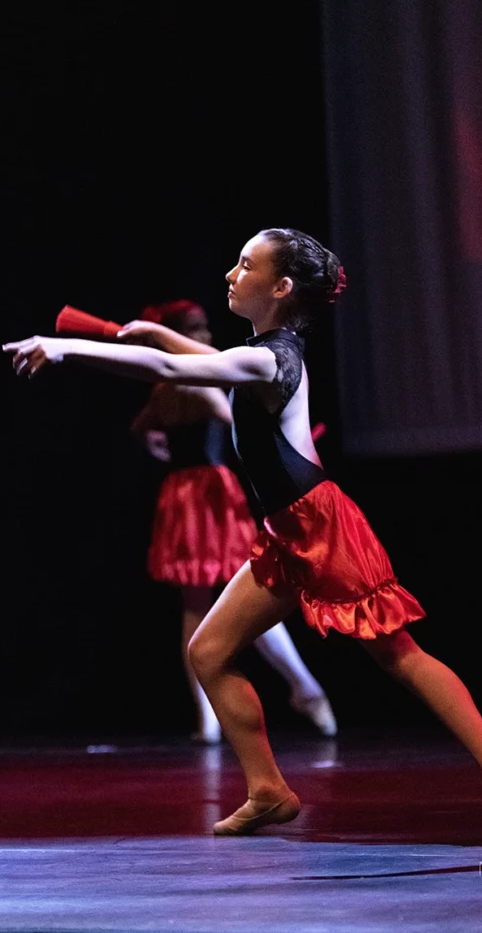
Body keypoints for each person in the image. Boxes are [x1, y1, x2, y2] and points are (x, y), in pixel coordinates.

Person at [4, 227, 482, 838]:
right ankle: (268, 790)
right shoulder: (264, 350)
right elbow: (189, 360)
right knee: (209, 653)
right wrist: (153, 333)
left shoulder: (273, 359)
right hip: (282, 534)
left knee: (400, 655)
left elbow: (172, 366)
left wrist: (63, 349)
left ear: (282, 286)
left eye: (245, 265)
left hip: (322, 526)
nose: (230, 275)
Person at [130, 297, 337, 743]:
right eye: (197, 329)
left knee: (198, 603)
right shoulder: (198, 382)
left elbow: (143, 425)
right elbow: (236, 417)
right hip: (208, 494)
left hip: (180, 495)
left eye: (205, 329)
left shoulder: (161, 391)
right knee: (244, 595)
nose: (205, 337)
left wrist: (157, 443)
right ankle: (302, 687)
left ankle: (209, 719)